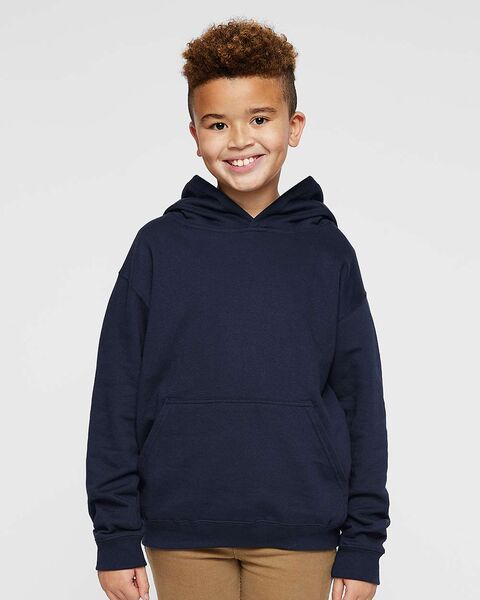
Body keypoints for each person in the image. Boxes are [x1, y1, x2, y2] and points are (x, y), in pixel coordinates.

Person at [85, 17, 391, 600]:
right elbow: (116, 394)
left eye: (260, 118)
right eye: (218, 124)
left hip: (300, 530)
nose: (239, 140)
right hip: (181, 528)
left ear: (293, 126)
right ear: (194, 134)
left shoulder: (327, 252)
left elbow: (361, 403)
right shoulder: (158, 247)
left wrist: (363, 544)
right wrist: (115, 536)